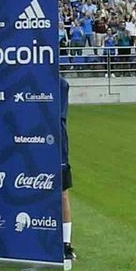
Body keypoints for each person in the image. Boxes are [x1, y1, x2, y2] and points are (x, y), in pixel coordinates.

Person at [61, 75, 77, 260]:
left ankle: (66, 244)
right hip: (27, 144)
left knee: (62, 193)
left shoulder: (60, 84)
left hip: (55, 143)